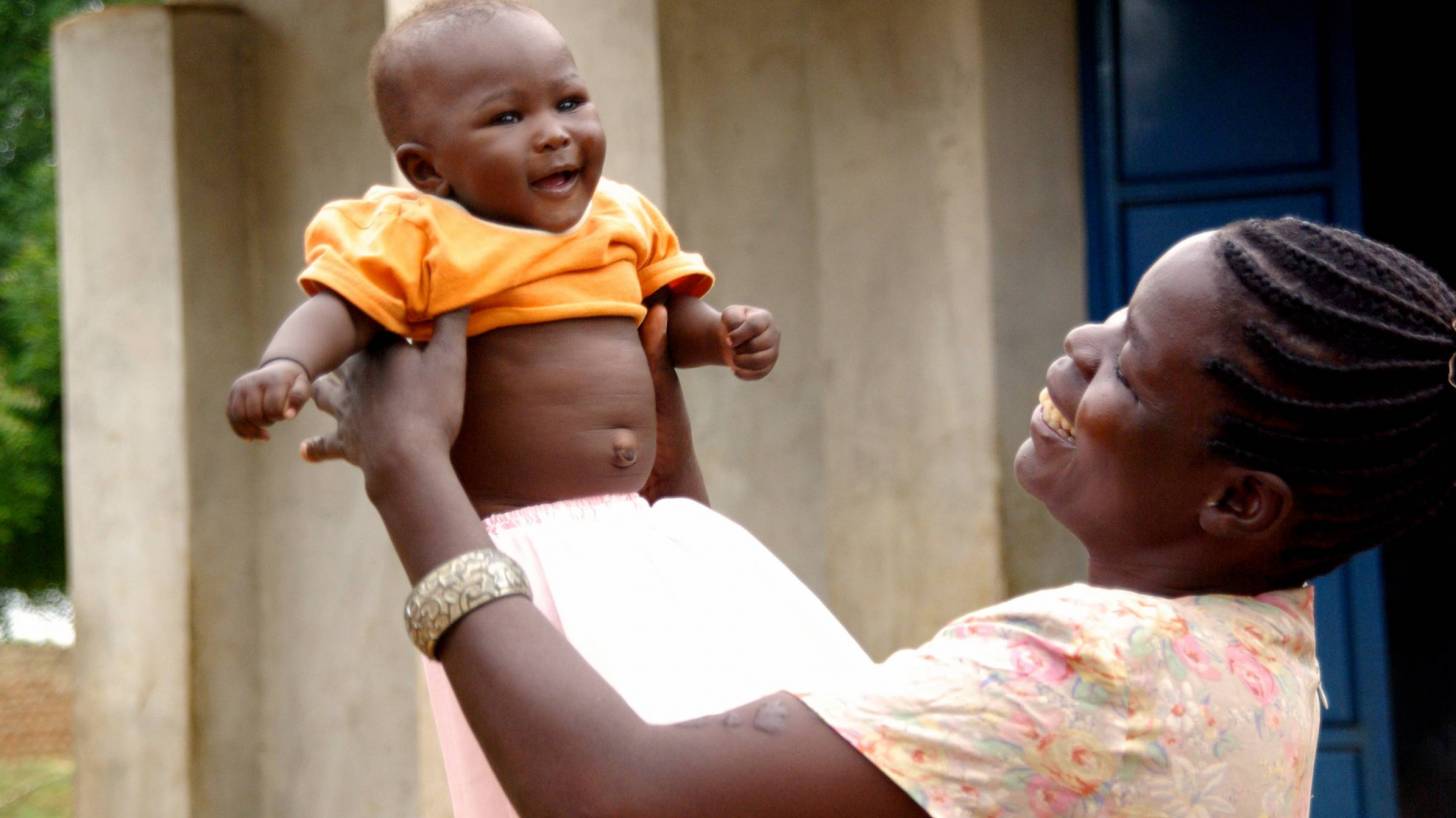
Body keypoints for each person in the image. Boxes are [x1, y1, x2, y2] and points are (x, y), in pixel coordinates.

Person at [304, 217, 1455, 816]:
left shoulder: (1083, 675)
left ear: (1238, 498)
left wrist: (408, 466)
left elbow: (616, 793)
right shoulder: (1250, 652)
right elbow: (721, 701)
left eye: (1131, 364)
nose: (1079, 344)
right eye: (1114, 310)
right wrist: (645, 382)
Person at [224, 1, 871, 815]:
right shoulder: (417, 236)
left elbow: (672, 319)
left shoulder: (622, 218)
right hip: (522, 550)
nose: (555, 132)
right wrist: (285, 362)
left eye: (568, 102)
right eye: (507, 116)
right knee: (592, 723)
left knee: (732, 694)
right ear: (428, 169)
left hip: (651, 527)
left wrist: (727, 338)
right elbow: (340, 308)